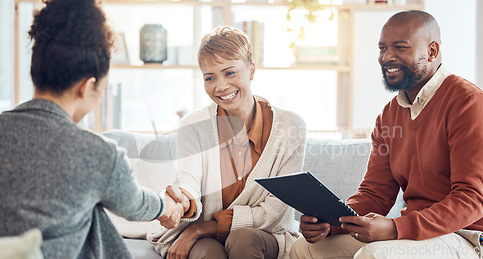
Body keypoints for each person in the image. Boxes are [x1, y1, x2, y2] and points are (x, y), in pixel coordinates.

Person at [290, 10, 483, 259]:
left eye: (400, 48)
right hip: (418, 236)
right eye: (382, 48)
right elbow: (375, 194)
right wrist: (329, 222)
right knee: (304, 249)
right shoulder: (389, 115)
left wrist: (394, 228)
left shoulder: (468, 103)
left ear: (432, 51)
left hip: (471, 237)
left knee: (376, 254)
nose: (386, 57)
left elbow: (470, 200)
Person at [0, 0, 182, 258]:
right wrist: (169, 206)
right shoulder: (97, 153)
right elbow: (136, 204)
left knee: (91, 206)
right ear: (87, 87)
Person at [147, 26, 306, 259]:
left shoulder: (291, 127)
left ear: (251, 69)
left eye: (229, 73)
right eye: (210, 78)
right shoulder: (194, 125)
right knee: (211, 255)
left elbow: (273, 211)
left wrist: (199, 229)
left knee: (243, 239)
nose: (220, 86)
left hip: (264, 235)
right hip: (205, 240)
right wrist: (181, 202)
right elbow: (188, 181)